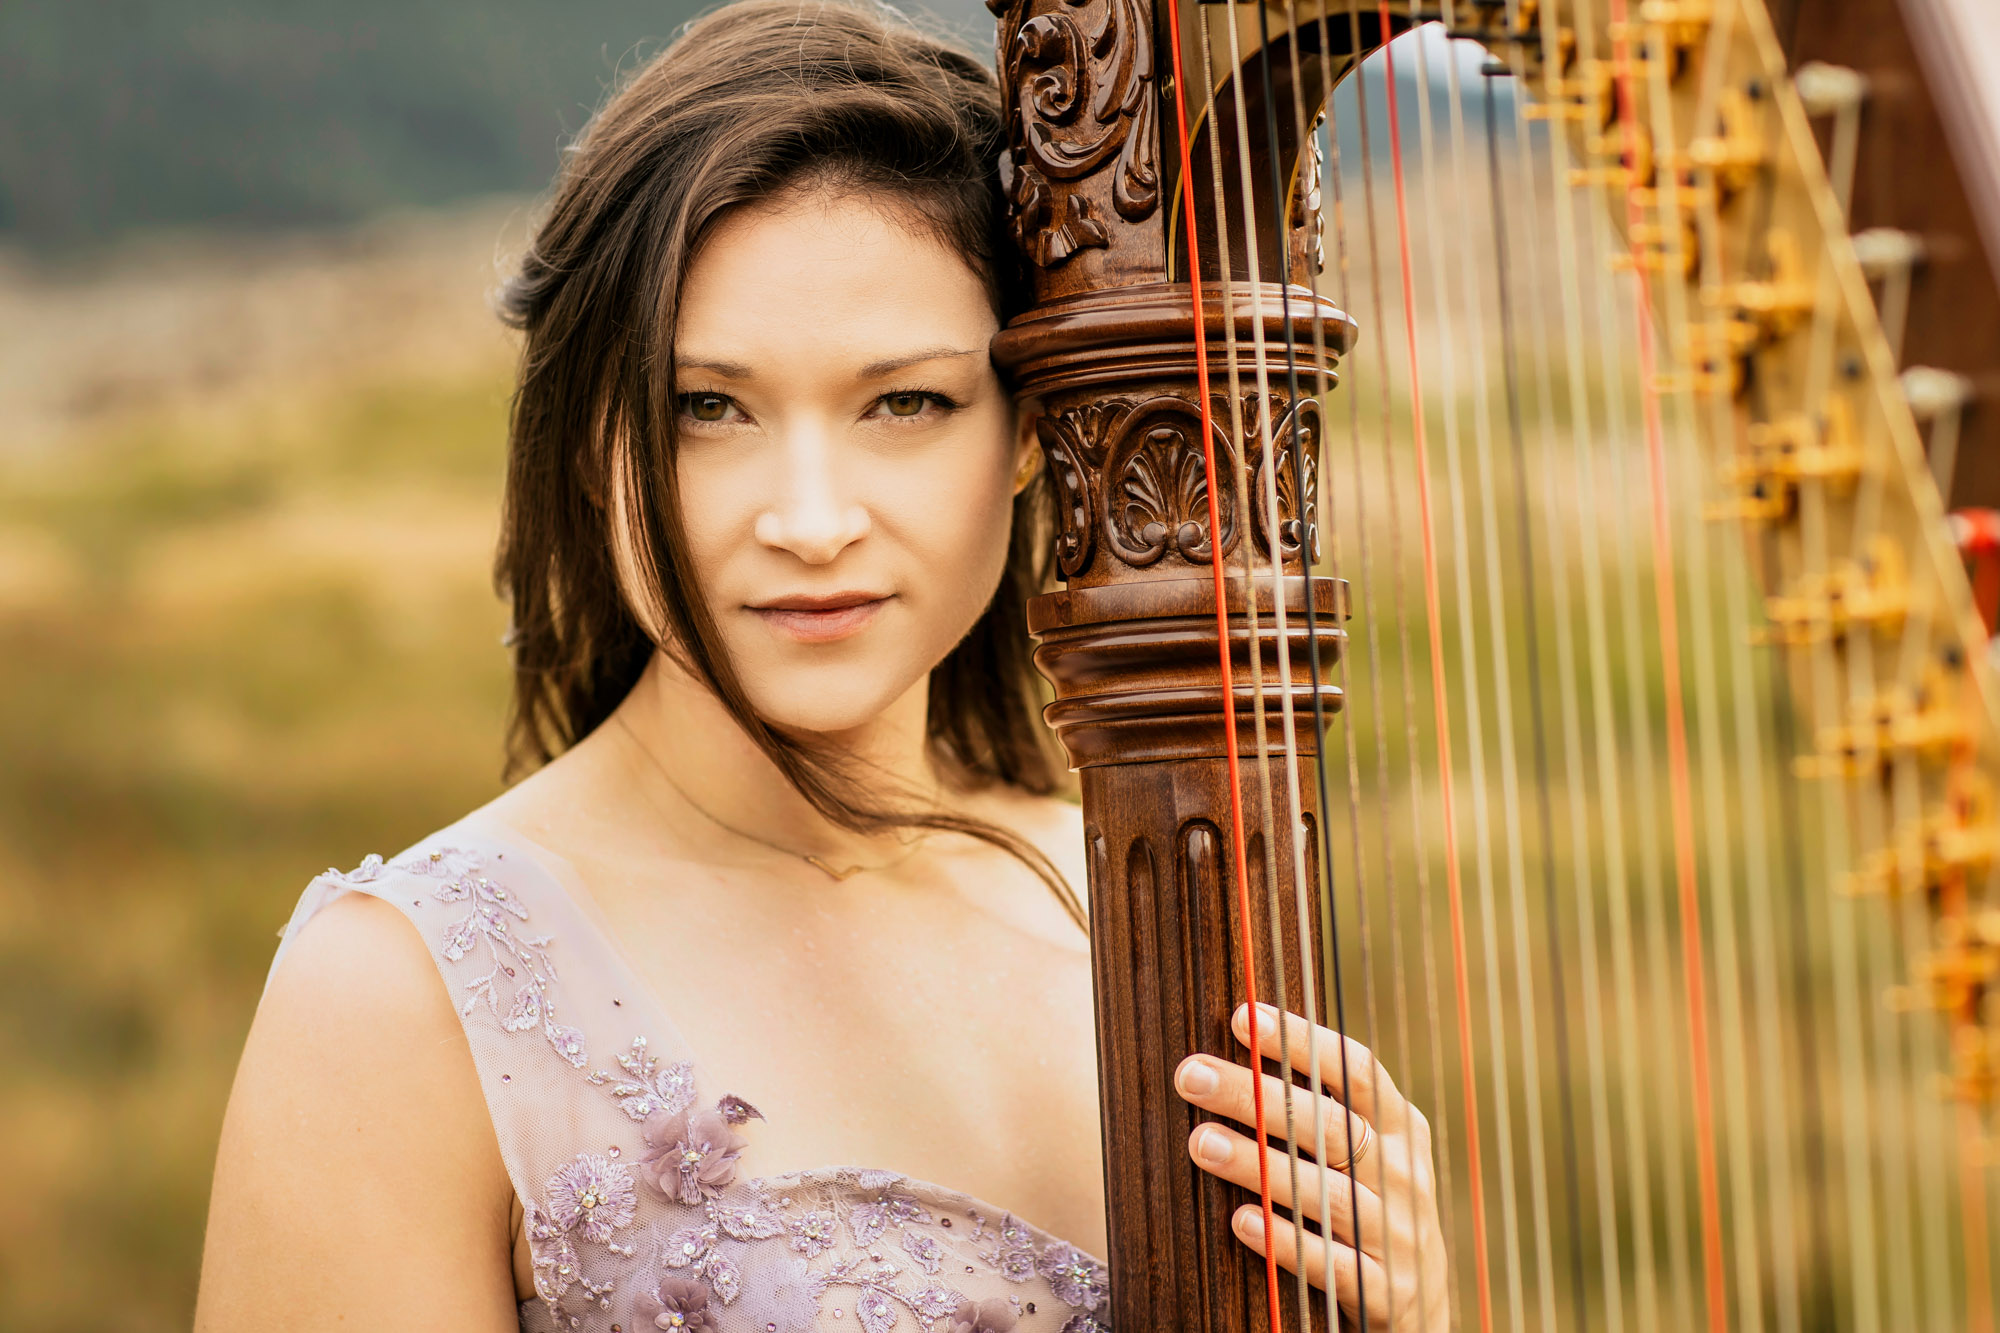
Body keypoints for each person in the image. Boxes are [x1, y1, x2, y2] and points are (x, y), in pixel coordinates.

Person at [193, 3, 1446, 1330]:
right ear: (588, 438)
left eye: (904, 403)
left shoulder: (1154, 907)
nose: (809, 517)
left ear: (1037, 431)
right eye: (708, 408)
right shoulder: (401, 1000)